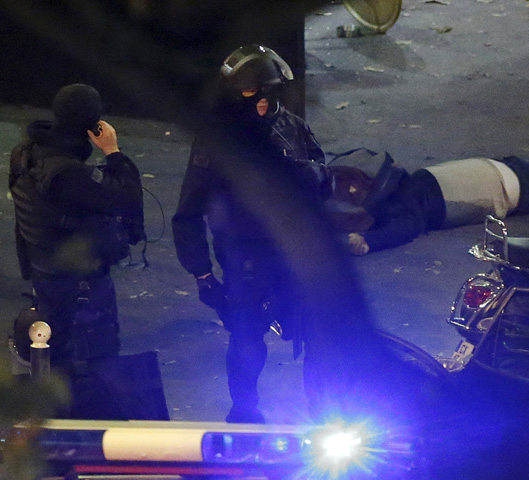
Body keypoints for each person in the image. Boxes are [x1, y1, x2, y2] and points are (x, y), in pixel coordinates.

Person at [172, 45, 331, 423]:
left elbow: (323, 177)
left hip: (297, 253)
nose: (259, 102)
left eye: (265, 93)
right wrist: (202, 272)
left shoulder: (292, 125)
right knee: (246, 339)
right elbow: (189, 210)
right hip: (246, 258)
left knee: (321, 339)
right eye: (249, 94)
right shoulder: (218, 140)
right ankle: (244, 414)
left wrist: (307, 175)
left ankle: (326, 417)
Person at [9, 83, 145, 370]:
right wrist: (112, 152)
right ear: (93, 122)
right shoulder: (69, 175)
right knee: (89, 361)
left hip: (41, 269)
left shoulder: (25, 153)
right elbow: (128, 195)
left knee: (54, 351)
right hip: (77, 281)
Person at [324, 149, 529, 255]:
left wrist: (367, 241)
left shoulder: (401, 206)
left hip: (518, 185)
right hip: (502, 167)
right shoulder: (407, 183)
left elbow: (404, 228)